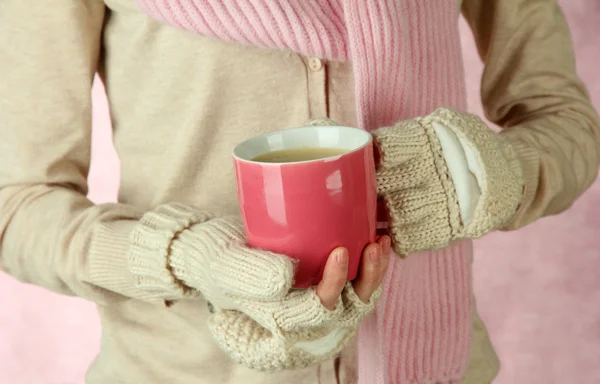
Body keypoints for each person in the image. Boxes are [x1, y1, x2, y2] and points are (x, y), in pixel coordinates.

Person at [0, 0, 598, 383]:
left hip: (437, 368)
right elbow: (18, 206)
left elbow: (569, 126)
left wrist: (484, 173)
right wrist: (182, 257)